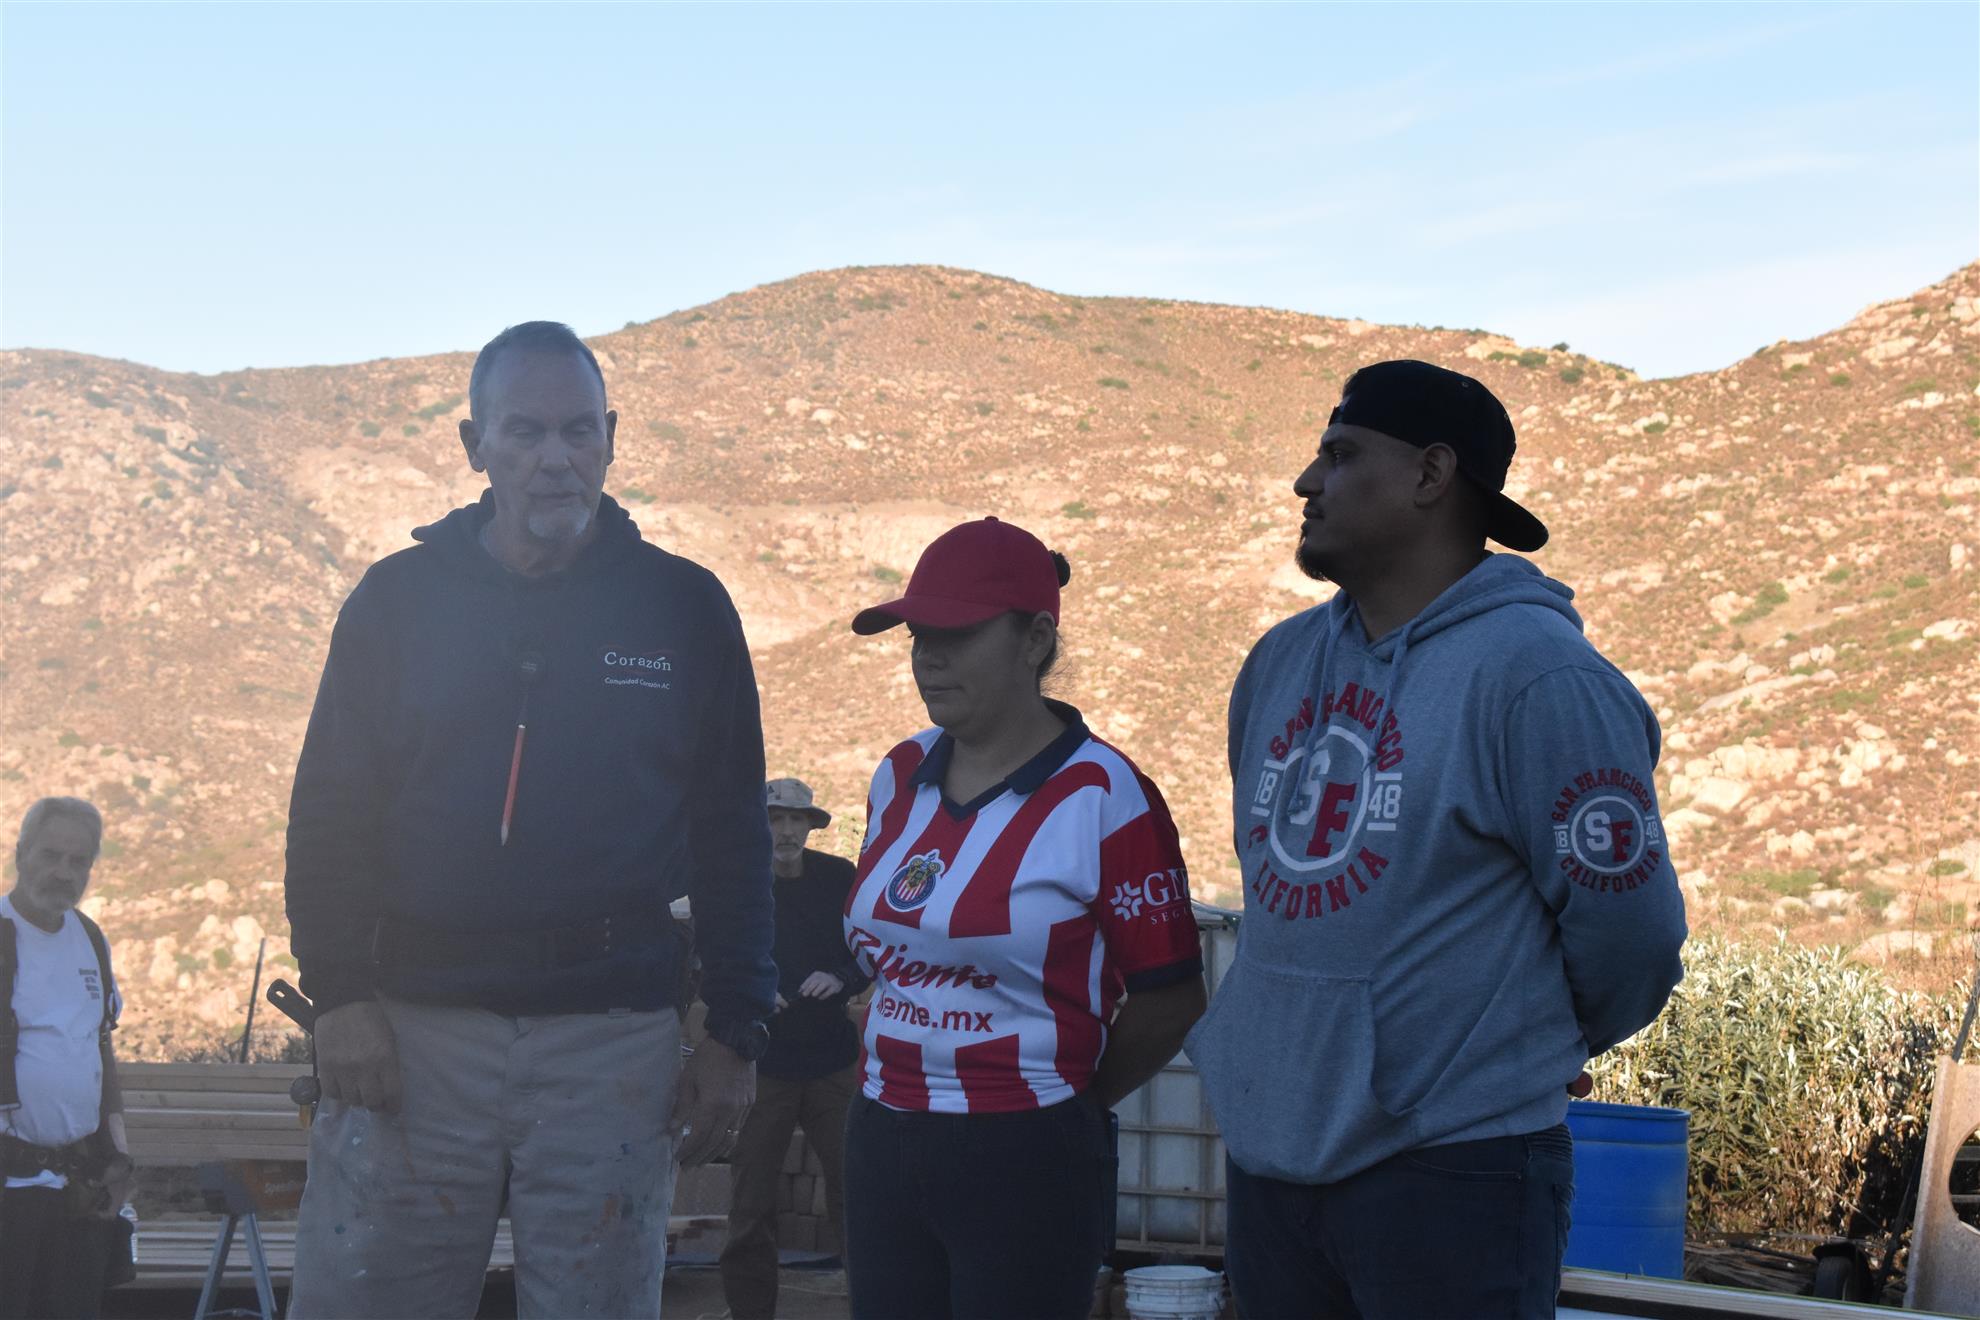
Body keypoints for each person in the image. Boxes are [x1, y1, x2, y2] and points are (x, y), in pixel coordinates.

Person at [283, 321, 777, 1320]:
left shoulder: (684, 607)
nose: (556, 457)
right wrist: (340, 998)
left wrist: (736, 1029)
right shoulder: (394, 602)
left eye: (578, 430)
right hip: (413, 1037)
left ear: (611, 438)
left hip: (612, 1044)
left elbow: (733, 831)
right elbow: (330, 811)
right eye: (525, 431)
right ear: (476, 446)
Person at [1190, 359, 1688, 1319]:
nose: (1306, 482)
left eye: (1341, 455)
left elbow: (1632, 936)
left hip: (1457, 1170)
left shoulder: (1540, 679)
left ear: (1429, 474)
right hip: (1272, 1159)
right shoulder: (1278, 664)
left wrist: (1522, 1044)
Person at [839, 517, 1208, 1320]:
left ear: (1036, 639)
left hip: (1026, 1148)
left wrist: (1070, 1103)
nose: (928, 657)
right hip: (881, 1134)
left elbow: (1172, 996)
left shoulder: (1104, 793)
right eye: (918, 636)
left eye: (957, 635)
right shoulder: (898, 773)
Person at [717, 777, 867, 1320]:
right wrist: (753, 992)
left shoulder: (838, 877)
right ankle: (750, 1312)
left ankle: (871, 1304)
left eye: (795, 821)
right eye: (775, 819)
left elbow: (869, 949)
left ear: (810, 826)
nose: (785, 831)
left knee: (857, 1193)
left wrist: (842, 977)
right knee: (751, 1199)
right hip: (765, 1064)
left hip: (832, 1061)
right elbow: (712, 956)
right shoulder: (740, 882)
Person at [0, 797, 133, 1320]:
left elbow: (100, 1045)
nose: (64, 872)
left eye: (79, 861)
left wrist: (120, 1158)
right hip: (9, 1187)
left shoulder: (90, 939)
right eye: (51, 855)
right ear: (21, 854)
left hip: (79, 1185)